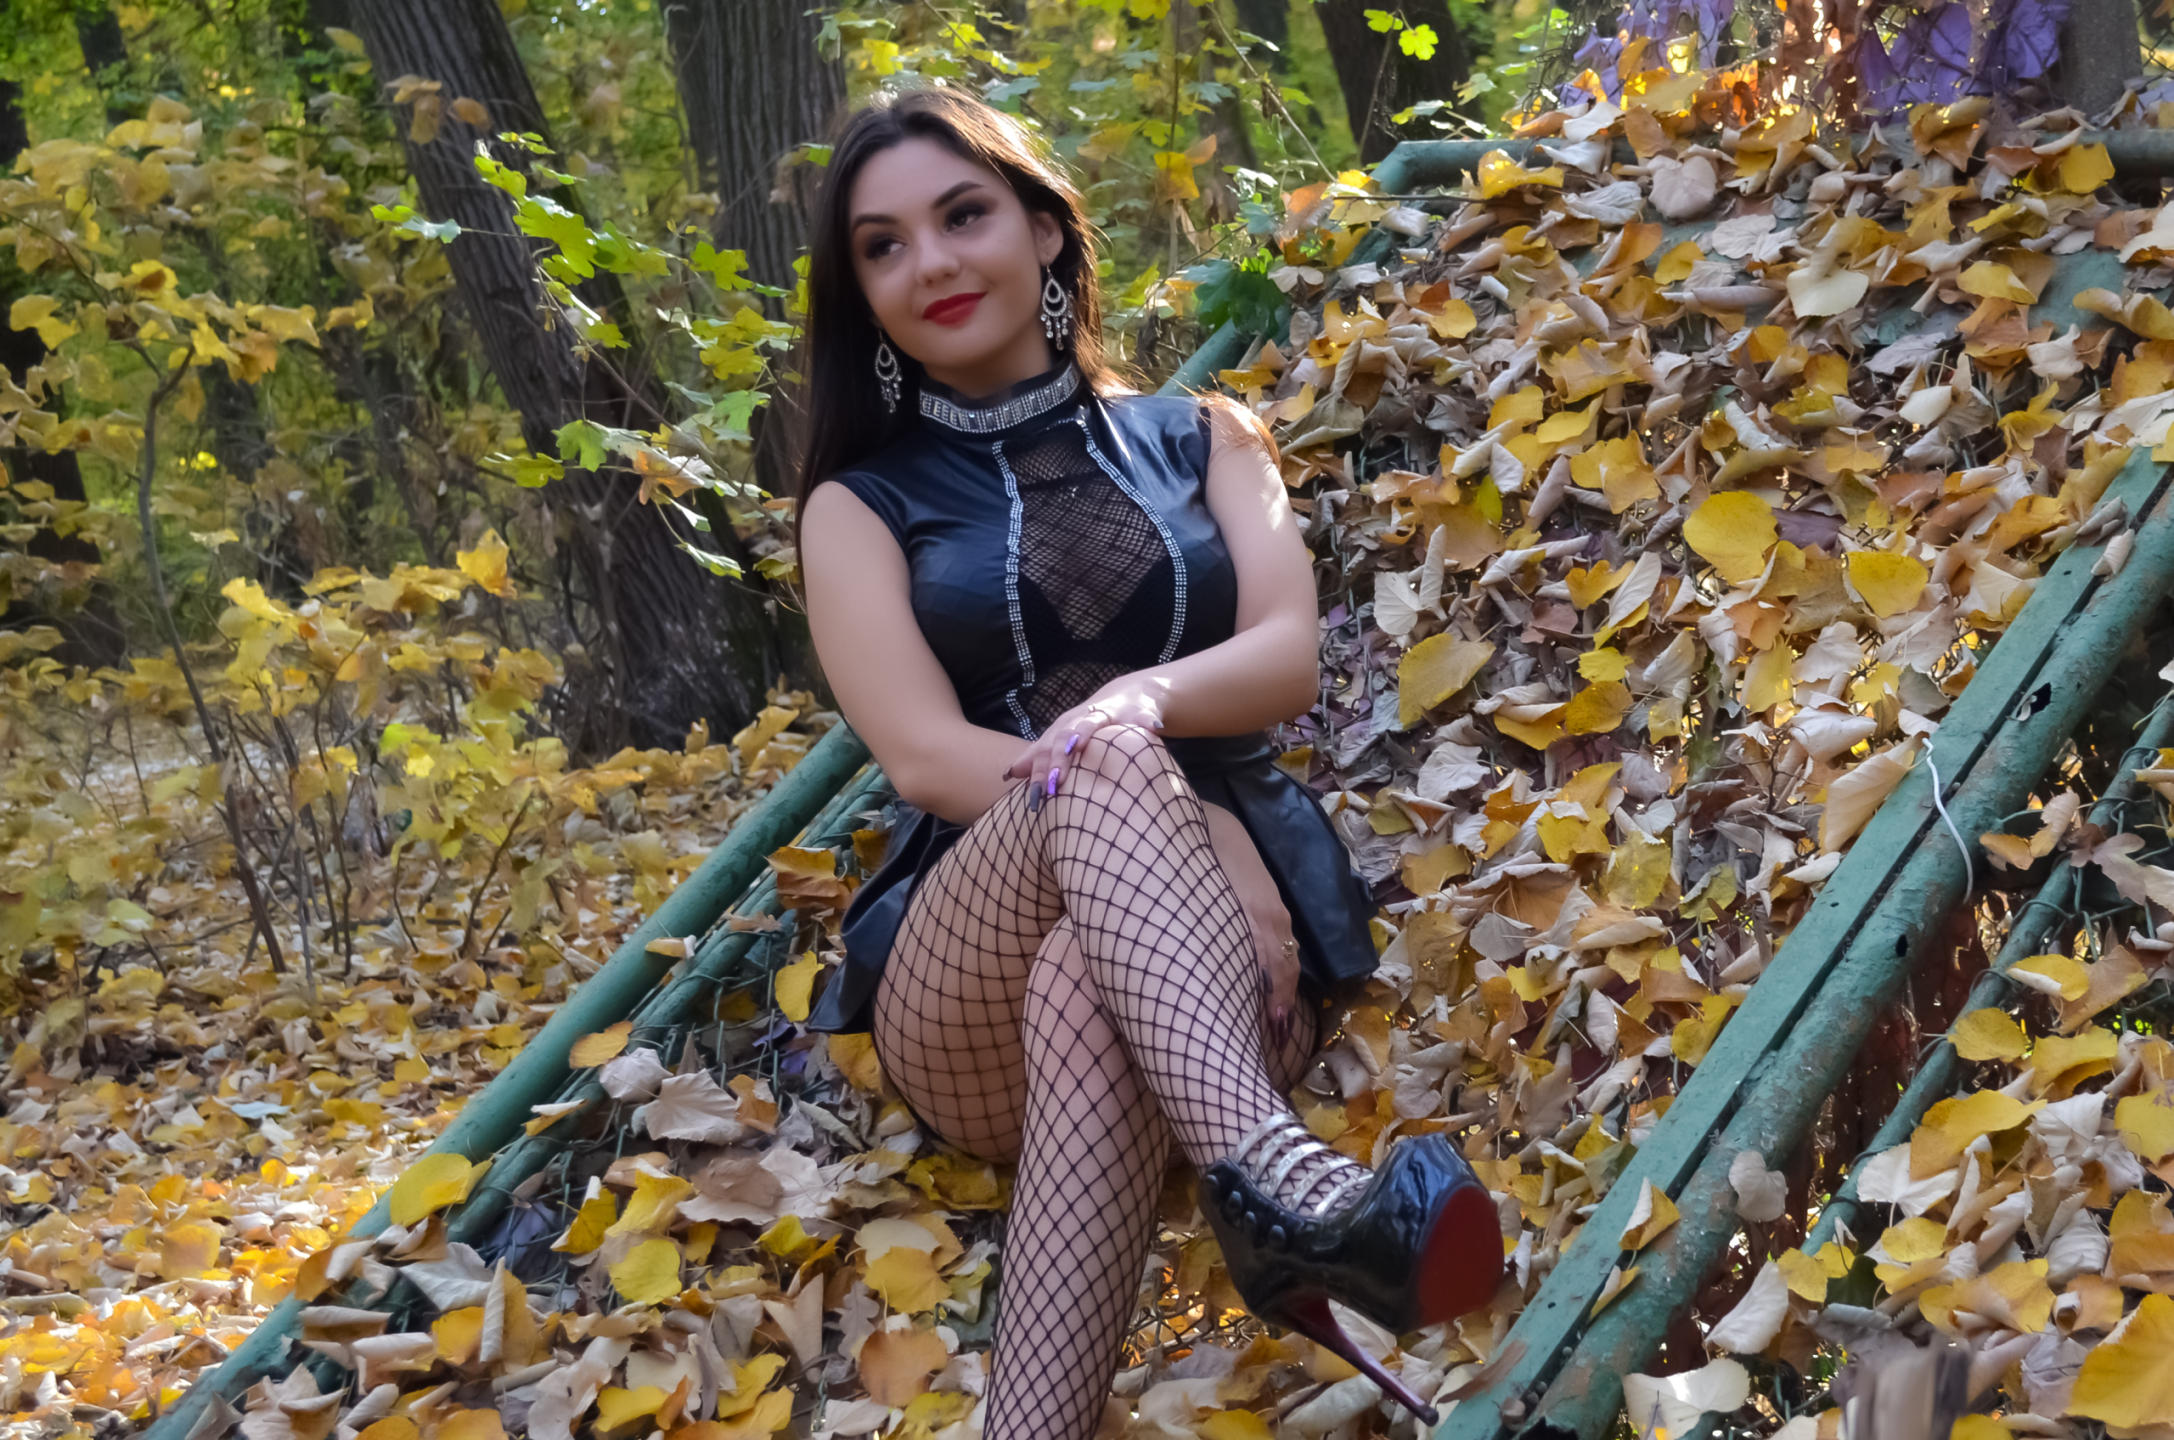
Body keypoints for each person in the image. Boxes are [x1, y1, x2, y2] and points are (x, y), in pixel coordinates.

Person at [786, 85, 1502, 1439]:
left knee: (1089, 968)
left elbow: (1284, 655)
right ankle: (1288, 1187)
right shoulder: (857, 507)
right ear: (862, 293)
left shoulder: (1207, 437)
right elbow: (927, 758)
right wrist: (1134, 776)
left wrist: (1139, 710)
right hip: (969, 958)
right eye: (883, 246)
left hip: (1212, 959)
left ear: (1046, 231)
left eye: (962, 215)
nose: (930, 262)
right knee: (1095, 782)